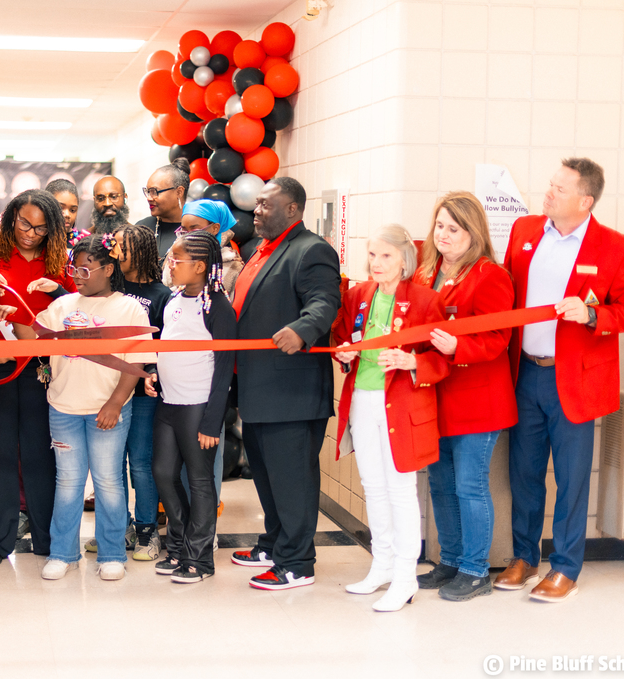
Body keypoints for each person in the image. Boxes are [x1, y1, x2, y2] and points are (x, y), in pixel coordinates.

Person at [497, 158, 624, 602]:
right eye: (550, 185)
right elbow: (506, 291)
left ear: (586, 200)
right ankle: (525, 556)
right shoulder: (524, 232)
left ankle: (565, 567)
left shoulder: (617, 248)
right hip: (524, 374)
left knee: (572, 477)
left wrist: (593, 314)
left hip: (574, 382)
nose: (548, 193)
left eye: (560, 189)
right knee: (523, 473)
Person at [12, 235, 155, 582]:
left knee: (108, 481)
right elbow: (31, 337)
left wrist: (115, 403)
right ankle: (63, 552)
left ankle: (111, 553)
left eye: (85, 268)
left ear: (108, 269)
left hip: (107, 409)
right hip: (63, 407)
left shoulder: (130, 308)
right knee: (69, 481)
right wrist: (11, 309)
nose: (77, 274)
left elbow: (136, 363)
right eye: (74, 268)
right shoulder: (62, 306)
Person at [229, 177, 341, 590]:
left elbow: (325, 302)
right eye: (255, 204)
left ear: (292, 209)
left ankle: (296, 563)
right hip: (257, 387)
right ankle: (274, 543)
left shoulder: (312, 250)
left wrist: (303, 329)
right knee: (267, 475)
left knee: (292, 479)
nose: (255, 211)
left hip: (290, 391)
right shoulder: (262, 249)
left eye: (264, 205)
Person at [333, 225, 449, 611]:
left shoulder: (425, 300)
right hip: (363, 399)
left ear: (404, 259)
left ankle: (405, 575)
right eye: (372, 255)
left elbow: (442, 359)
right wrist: (343, 354)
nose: (377, 263)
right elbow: (339, 338)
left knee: (401, 490)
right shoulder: (357, 295)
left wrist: (412, 360)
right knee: (372, 484)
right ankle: (381, 564)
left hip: (402, 404)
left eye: (386, 256)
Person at [410, 192, 517, 601]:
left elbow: (497, 339)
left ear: (474, 232)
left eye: (453, 228)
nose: (444, 235)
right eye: (439, 226)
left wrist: (459, 348)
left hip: (478, 402)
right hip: (436, 396)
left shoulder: (491, 275)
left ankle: (476, 570)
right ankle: (450, 560)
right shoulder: (426, 272)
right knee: (439, 484)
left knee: (469, 486)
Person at [0, 189, 73, 566]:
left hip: (39, 367)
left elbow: (73, 310)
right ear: (12, 216)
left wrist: (57, 293)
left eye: (42, 228)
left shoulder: (57, 261)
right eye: (25, 223)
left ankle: (47, 539)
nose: (31, 233)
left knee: (38, 451)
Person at [147, 231, 236, 583]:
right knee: (164, 474)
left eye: (176, 260)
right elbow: (168, 343)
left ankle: (200, 559)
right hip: (169, 402)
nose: (170, 264)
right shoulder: (173, 298)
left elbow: (226, 366)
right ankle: (181, 547)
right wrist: (154, 370)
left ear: (199, 266)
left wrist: (212, 422)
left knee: (199, 480)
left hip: (198, 406)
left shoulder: (217, 306)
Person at [85, 224, 171, 561]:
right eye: (114, 245)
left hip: (141, 395)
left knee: (140, 464)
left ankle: (148, 531)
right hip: (106, 389)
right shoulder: (106, 291)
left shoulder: (160, 295)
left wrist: (152, 373)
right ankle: (117, 528)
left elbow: (163, 346)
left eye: (122, 246)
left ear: (142, 251)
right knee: (111, 466)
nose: (115, 251)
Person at [169, 199, 244, 293]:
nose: (188, 236)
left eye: (195, 230)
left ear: (215, 228)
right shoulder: (174, 257)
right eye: (184, 231)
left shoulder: (233, 267)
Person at [136, 159, 190, 257]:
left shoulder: (196, 229)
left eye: (154, 191)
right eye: (148, 191)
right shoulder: (141, 229)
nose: (149, 198)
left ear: (179, 192)